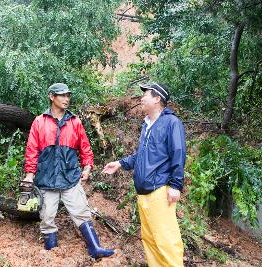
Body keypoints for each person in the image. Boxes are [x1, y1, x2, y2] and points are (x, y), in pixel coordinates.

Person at [22, 83, 114, 259]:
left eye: (68, 96)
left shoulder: (75, 122)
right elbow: (32, 150)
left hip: (70, 177)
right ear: (51, 97)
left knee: (81, 212)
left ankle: (95, 248)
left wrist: (87, 167)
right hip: (46, 179)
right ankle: (50, 256)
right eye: (62, 95)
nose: (66, 99)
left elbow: (85, 147)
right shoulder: (39, 122)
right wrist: (29, 174)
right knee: (47, 218)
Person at [102, 82, 186, 267]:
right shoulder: (147, 124)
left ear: (157, 98)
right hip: (143, 193)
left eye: (145, 94)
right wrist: (120, 163)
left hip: (160, 191)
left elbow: (178, 153)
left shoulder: (171, 123)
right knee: (149, 240)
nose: (141, 98)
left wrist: (175, 185)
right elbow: (142, 155)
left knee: (165, 241)